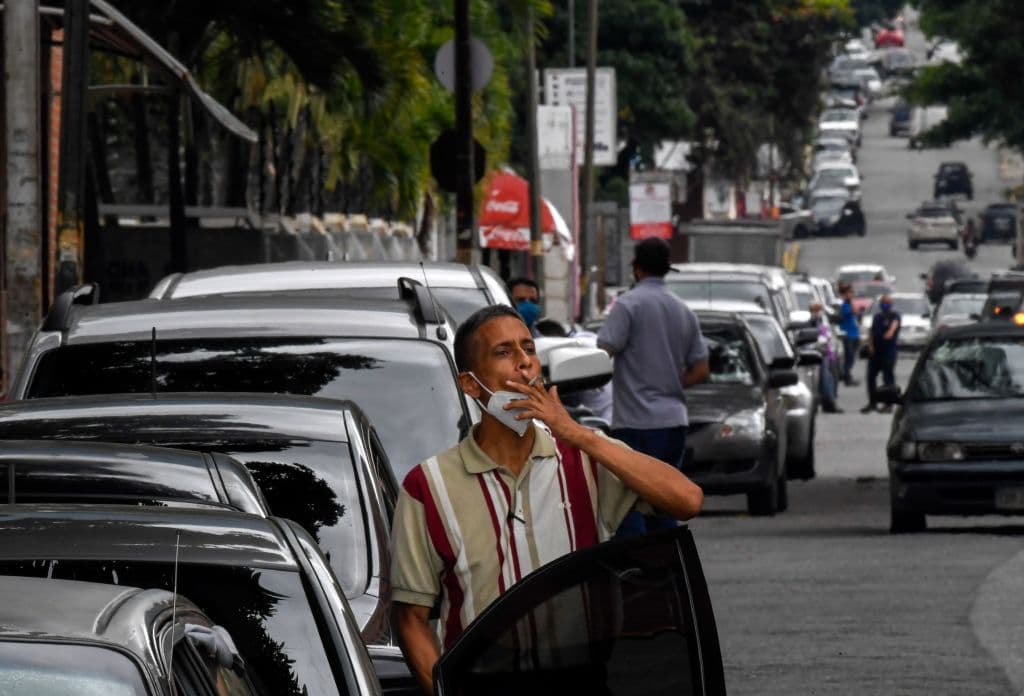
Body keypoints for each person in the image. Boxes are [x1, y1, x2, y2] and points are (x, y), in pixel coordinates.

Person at [390, 305, 704, 695]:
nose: (524, 363)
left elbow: (687, 500)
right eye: (504, 353)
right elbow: (410, 617)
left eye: (528, 349)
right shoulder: (428, 486)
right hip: (484, 683)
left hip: (582, 680)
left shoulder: (584, 459)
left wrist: (580, 434)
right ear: (470, 385)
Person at [596, 237, 709, 537]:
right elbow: (701, 369)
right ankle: (665, 573)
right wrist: (671, 381)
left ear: (636, 269)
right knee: (665, 502)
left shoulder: (628, 305)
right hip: (673, 422)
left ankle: (635, 573)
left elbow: (603, 351)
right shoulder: (684, 311)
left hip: (634, 424)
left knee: (627, 505)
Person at [860, 293, 901, 413]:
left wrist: (889, 333)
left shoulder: (895, 316)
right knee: (871, 377)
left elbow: (893, 328)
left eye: (887, 303)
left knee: (888, 378)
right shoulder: (877, 317)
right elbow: (871, 332)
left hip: (888, 352)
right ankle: (872, 402)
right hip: (876, 352)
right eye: (883, 303)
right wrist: (871, 345)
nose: (885, 305)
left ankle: (889, 404)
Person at [810, 302, 842, 413]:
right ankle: (829, 403)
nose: (818, 313)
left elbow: (829, 336)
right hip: (821, 352)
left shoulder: (824, 321)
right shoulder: (813, 322)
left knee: (832, 378)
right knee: (826, 379)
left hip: (829, 352)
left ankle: (829, 402)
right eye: (816, 310)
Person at [838, 282, 860, 386]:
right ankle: (847, 376)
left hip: (854, 333)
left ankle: (847, 374)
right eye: (849, 293)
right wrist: (850, 300)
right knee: (849, 356)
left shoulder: (849, 304)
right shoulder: (845, 306)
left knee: (852, 357)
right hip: (848, 335)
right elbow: (854, 311)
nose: (851, 295)